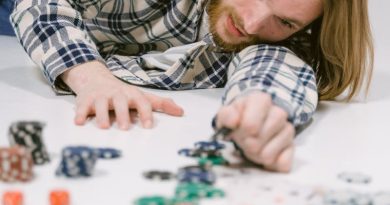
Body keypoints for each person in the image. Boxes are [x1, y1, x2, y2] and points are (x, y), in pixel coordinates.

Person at [10, 0, 373, 172]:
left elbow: (277, 67)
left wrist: (262, 108)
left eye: (283, 21)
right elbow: (39, 4)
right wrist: (91, 76)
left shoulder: (277, 37)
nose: (252, 22)